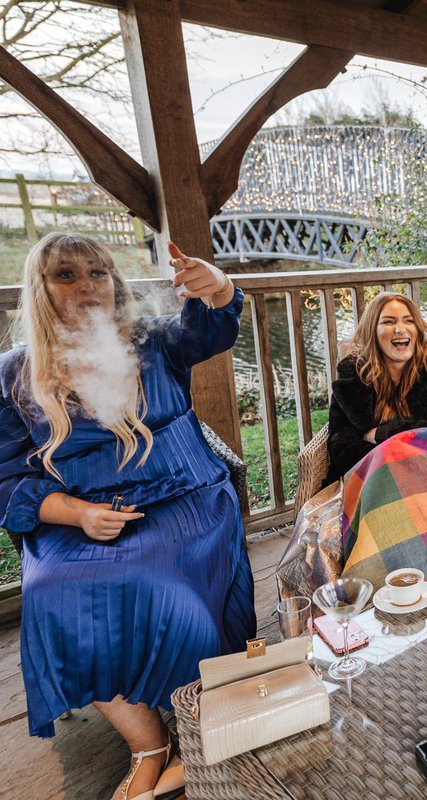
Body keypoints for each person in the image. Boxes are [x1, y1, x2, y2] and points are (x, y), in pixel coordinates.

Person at [0, 233, 256, 800]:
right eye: (66, 276)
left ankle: (199, 721)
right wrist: (76, 513)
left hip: (184, 496)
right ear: (39, 289)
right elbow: (7, 476)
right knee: (54, 592)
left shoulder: (153, 341)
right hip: (79, 516)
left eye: (98, 273)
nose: (88, 286)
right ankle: (149, 741)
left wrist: (217, 287)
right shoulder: (13, 375)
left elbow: (214, 327)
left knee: (163, 586)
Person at [324, 291, 427, 486]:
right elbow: (340, 445)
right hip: (373, 479)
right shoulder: (354, 374)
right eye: (388, 322)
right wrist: (392, 460)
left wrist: (381, 434)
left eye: (408, 321)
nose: (400, 329)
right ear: (372, 330)